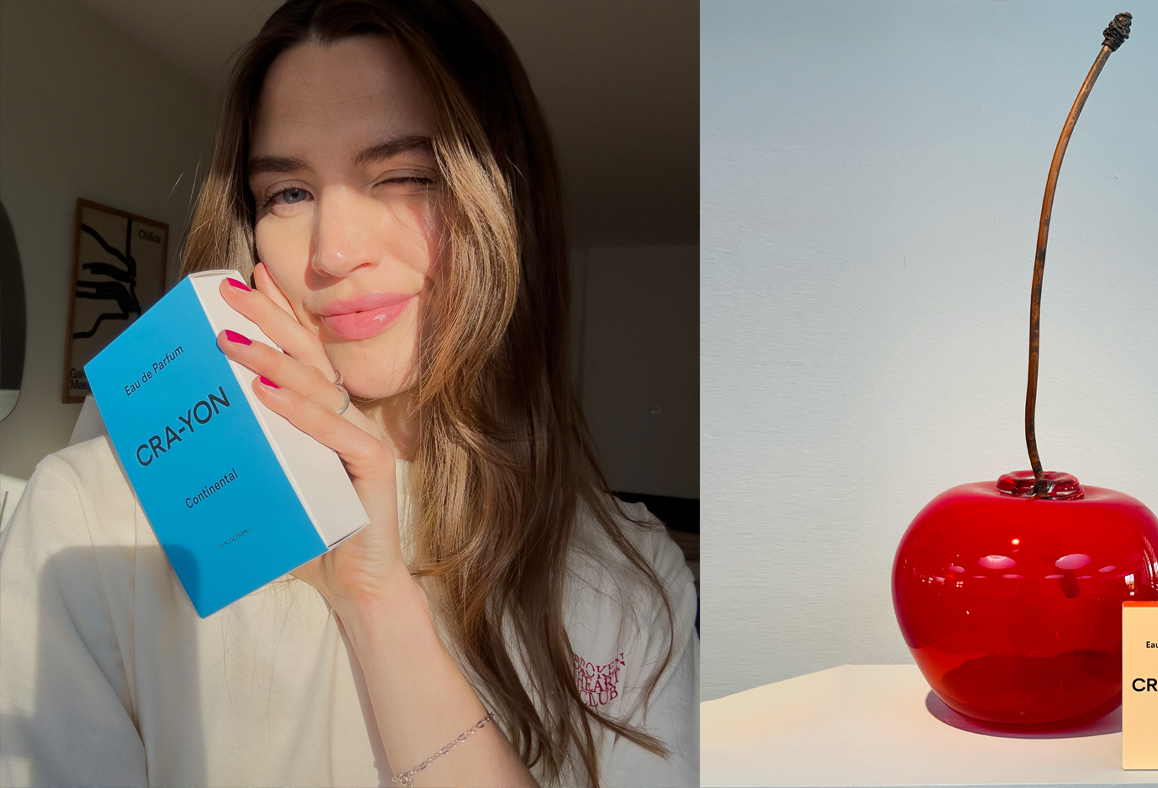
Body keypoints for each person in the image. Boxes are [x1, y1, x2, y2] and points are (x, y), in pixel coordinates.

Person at [0, 1, 697, 786]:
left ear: (504, 203)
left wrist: (377, 602)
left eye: (404, 177)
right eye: (287, 194)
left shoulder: (629, 578)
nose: (332, 252)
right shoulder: (90, 523)